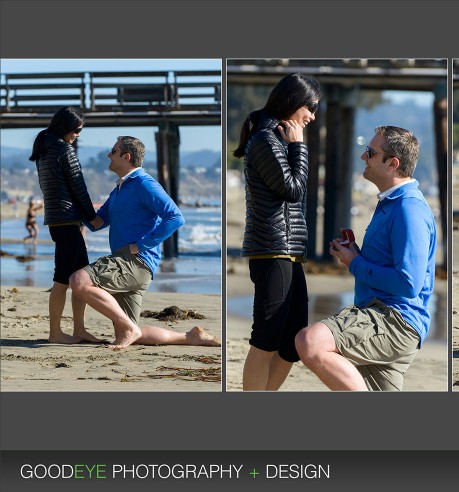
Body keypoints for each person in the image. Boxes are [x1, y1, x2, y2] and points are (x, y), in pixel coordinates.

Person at [295, 125, 436, 391]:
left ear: (392, 163)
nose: (363, 157)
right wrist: (356, 254)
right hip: (383, 315)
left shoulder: (409, 209)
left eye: (370, 152)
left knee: (310, 342)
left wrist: (354, 263)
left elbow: (409, 284)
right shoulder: (392, 203)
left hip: (394, 319)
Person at [69, 136, 220, 350]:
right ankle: (190, 337)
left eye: (113, 151)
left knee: (79, 281)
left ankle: (126, 329)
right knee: (131, 331)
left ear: (126, 156)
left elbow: (175, 217)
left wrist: (141, 245)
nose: (108, 155)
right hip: (127, 264)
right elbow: (96, 222)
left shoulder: (144, 184)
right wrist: (71, 202)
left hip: (135, 261)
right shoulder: (120, 189)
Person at [232, 73, 321, 391]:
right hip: (272, 250)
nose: (312, 116)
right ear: (294, 102)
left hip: (288, 250)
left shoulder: (275, 138)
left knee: (293, 340)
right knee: (266, 339)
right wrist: (299, 148)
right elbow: (293, 189)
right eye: (310, 107)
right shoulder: (265, 140)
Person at [29, 106, 104, 344]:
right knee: (62, 278)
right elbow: (78, 187)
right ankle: (55, 333)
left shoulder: (44, 148)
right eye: (77, 130)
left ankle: (79, 329)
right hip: (66, 220)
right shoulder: (63, 149)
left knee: (80, 277)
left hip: (57, 219)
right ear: (67, 128)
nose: (78, 135)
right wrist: (92, 216)